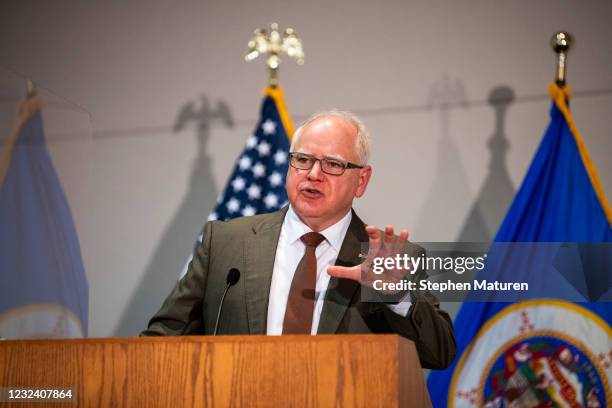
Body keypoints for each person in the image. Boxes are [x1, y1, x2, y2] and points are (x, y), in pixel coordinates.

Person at [142, 110, 456, 370]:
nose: (313, 174)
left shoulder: (388, 258)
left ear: (362, 181)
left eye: (333, 164)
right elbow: (162, 340)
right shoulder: (225, 242)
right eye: (303, 159)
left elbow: (438, 353)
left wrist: (395, 296)